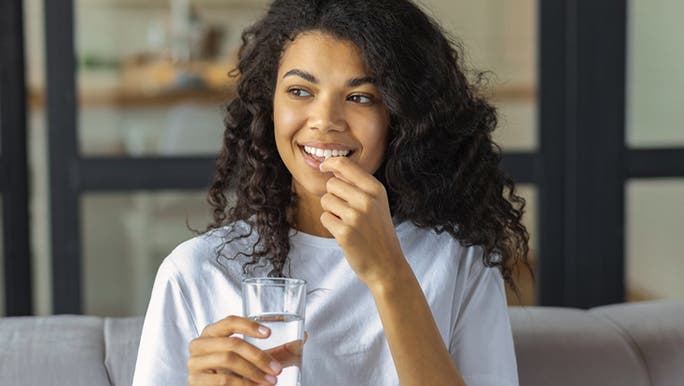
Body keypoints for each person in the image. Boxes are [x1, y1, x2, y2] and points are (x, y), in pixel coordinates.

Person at [132, 0, 530, 385]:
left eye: (360, 97)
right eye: (300, 91)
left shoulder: (458, 262)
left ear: (404, 116)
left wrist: (388, 274)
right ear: (268, 105)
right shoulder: (197, 274)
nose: (324, 121)